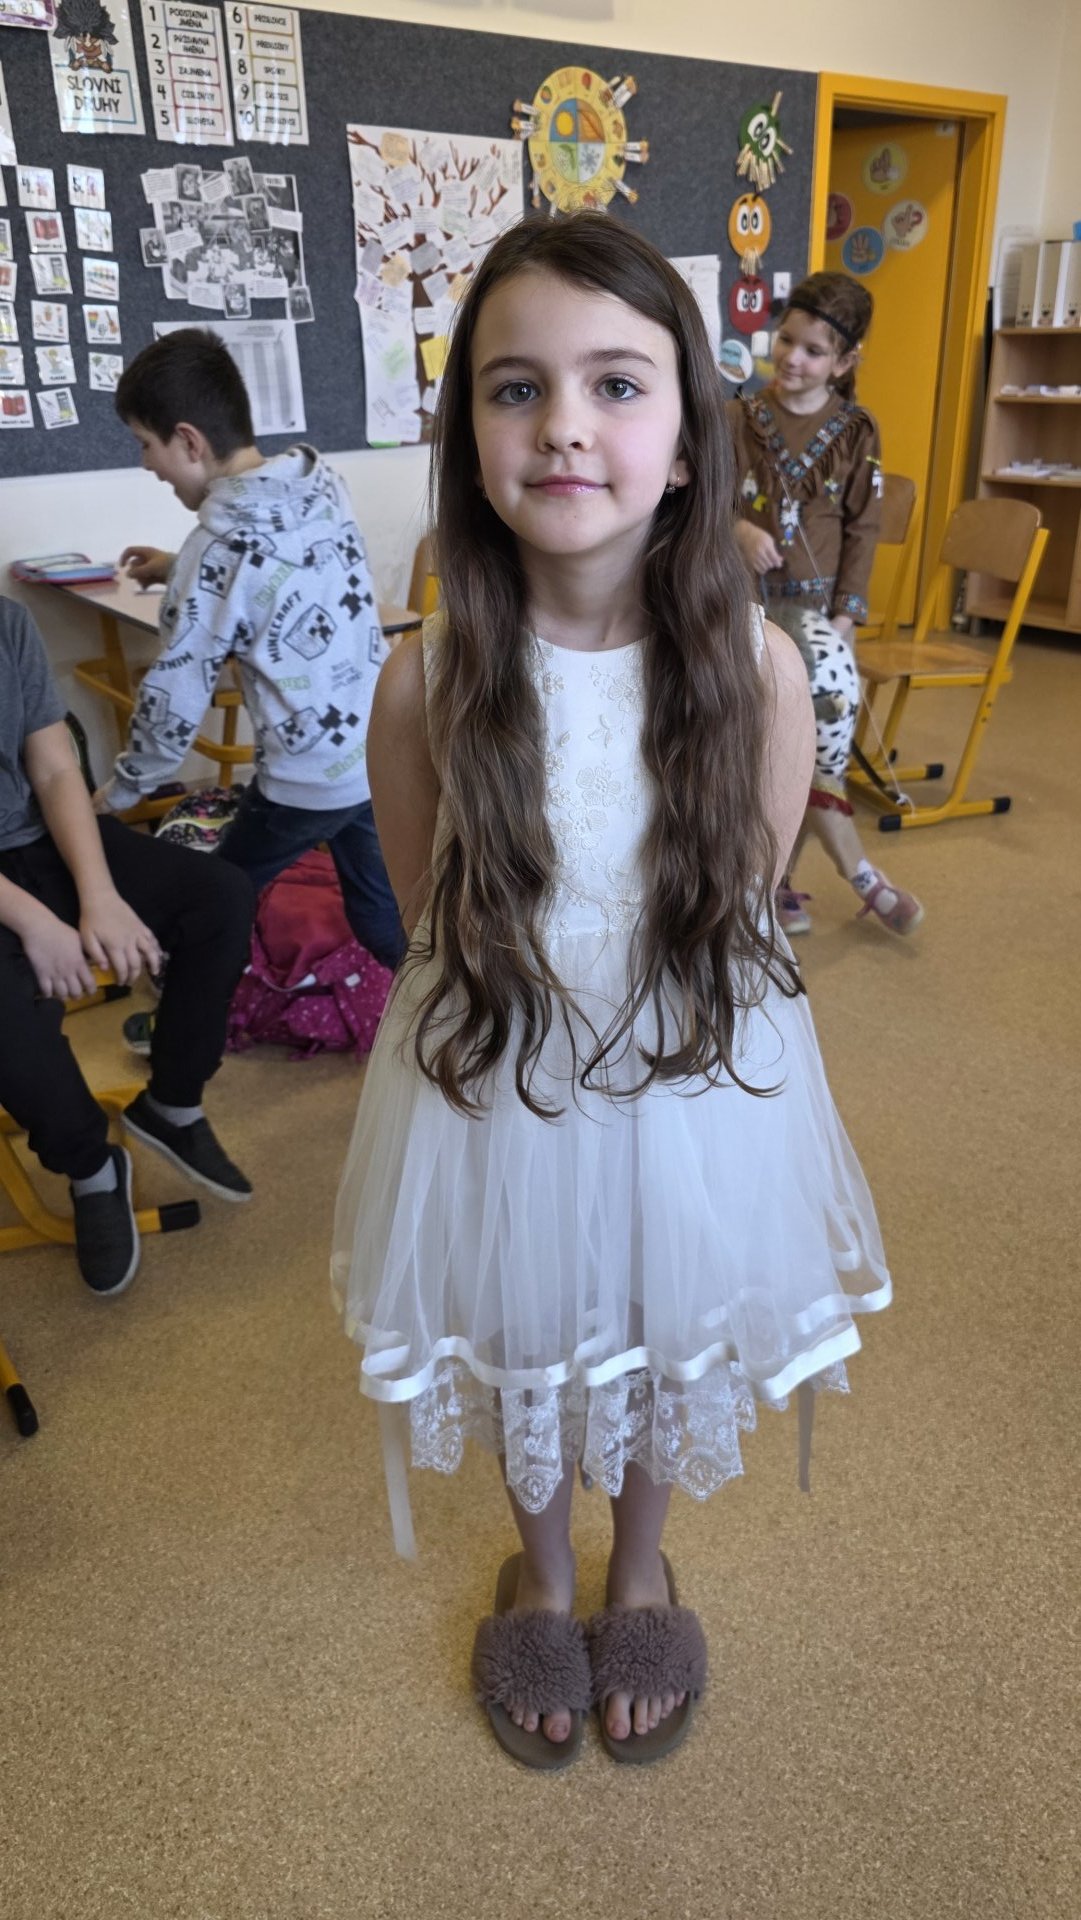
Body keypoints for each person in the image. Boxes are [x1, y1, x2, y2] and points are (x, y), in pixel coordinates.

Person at [331, 216, 892, 1770]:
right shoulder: (426, 679)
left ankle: (639, 1568)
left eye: (616, 384)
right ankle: (542, 1571)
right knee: (522, 1326)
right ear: (470, 437)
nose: (565, 425)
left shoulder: (757, 673)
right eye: (516, 388)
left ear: (689, 440)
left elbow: (746, 910)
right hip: (494, 1077)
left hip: (689, 1081)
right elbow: (422, 914)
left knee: (659, 1321)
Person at [98, 328, 405, 981]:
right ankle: (452, 1012)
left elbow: (174, 699)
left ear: (189, 441)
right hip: (373, 750)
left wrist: (122, 791)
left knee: (213, 899)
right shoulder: (322, 487)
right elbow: (281, 566)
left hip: (305, 779)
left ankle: (195, 1013)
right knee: (380, 914)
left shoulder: (214, 552)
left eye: (145, 444)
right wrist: (178, 565)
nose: (147, 464)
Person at [0, 596, 255, 1297]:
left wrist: (99, 895)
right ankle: (91, 1168)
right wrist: (36, 923)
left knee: (220, 896)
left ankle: (171, 1104)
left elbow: (54, 770)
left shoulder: (7, 621)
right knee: (9, 1019)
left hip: (36, 840)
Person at [727, 272, 924, 937]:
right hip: (745, 613)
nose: (791, 358)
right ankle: (779, 878)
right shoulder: (737, 419)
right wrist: (737, 529)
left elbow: (863, 526)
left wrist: (845, 618)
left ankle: (782, 878)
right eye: (785, 340)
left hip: (817, 620)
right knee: (759, 749)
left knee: (815, 749)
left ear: (843, 363)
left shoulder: (855, 431)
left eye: (813, 350)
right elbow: (698, 504)